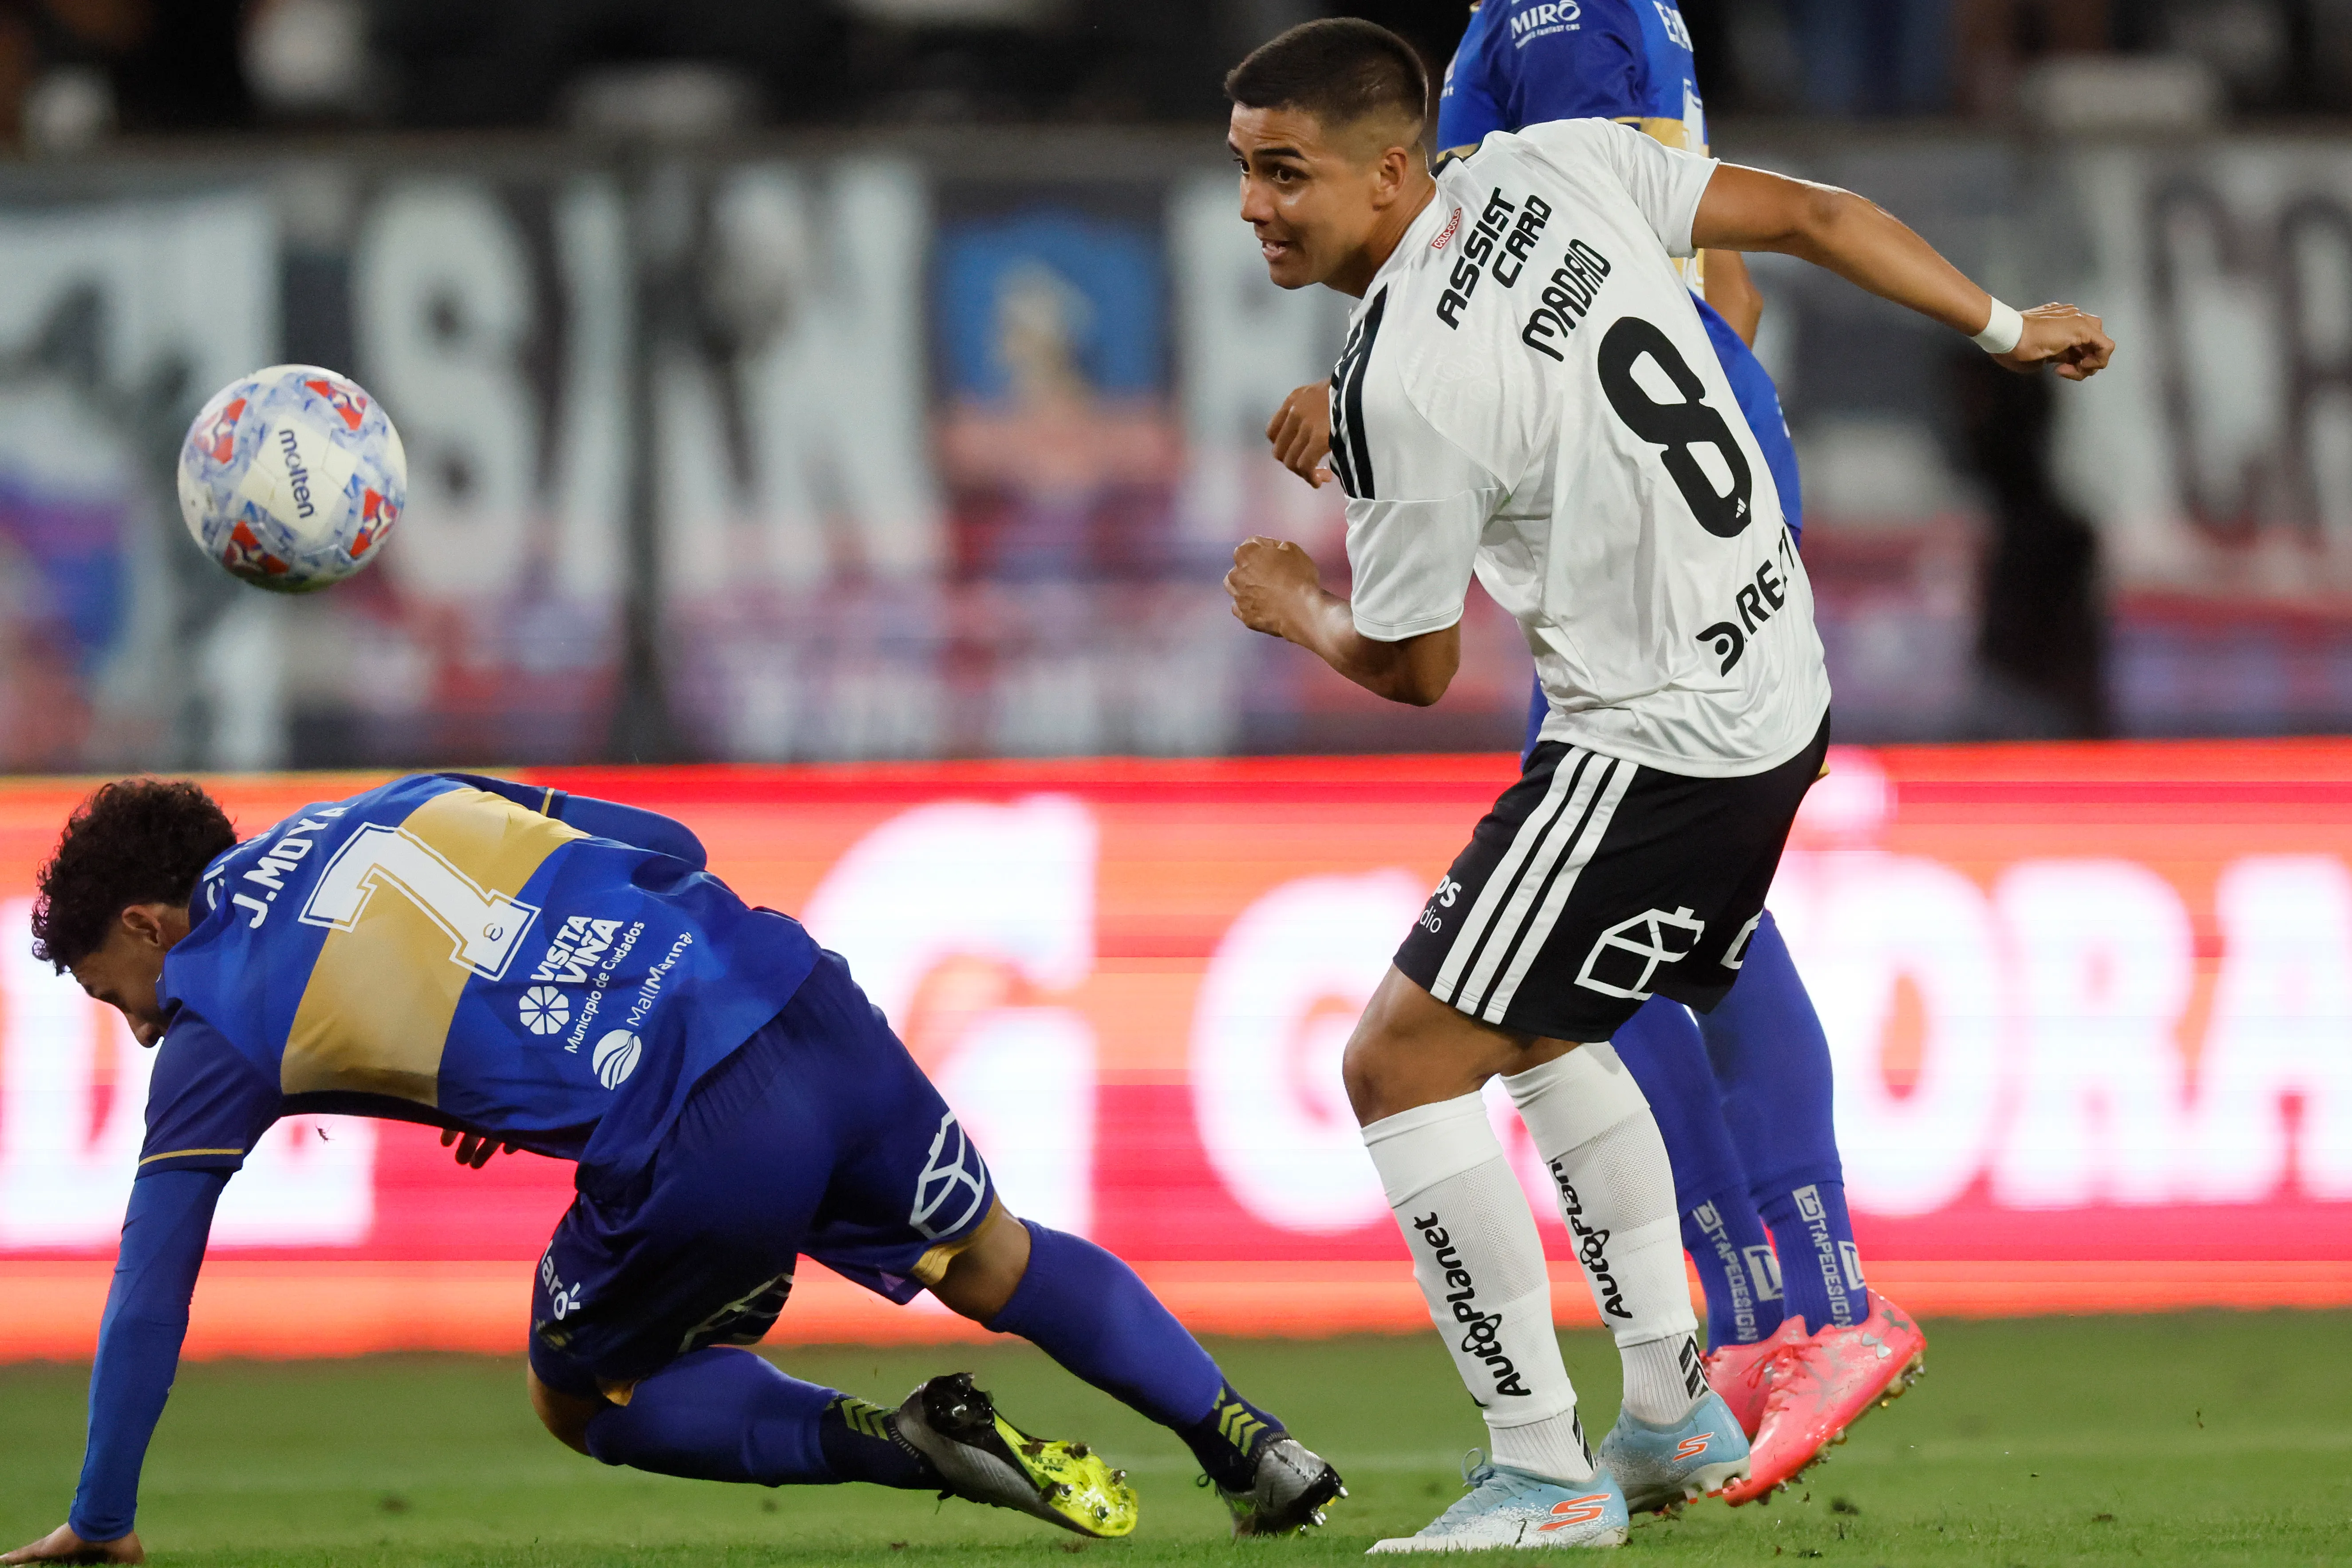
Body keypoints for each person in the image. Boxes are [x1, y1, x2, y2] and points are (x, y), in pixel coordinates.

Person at [1220, 17, 2109, 1551]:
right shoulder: (1559, 165)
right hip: (1777, 678)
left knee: (1397, 1061)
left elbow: (1417, 667)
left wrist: (1291, 598)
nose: (1255, 207)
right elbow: (1815, 219)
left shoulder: (1403, 383)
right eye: (1242, 172)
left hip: (1653, 743)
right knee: (1550, 1022)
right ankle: (1672, 1409)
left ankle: (1544, 1468)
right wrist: (2006, 324)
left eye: (1283, 173)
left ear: (1388, 170)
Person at [3, 774, 1342, 1566]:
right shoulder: (392, 801)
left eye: (123, 994)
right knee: (990, 1252)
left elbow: (148, 1286)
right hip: (800, 994)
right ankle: (1250, 1443)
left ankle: (899, 1442)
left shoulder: (215, 1012)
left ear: (146, 921)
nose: (143, 1024)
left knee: (578, 1391)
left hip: (692, 1122)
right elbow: (669, 848)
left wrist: (104, 1513)